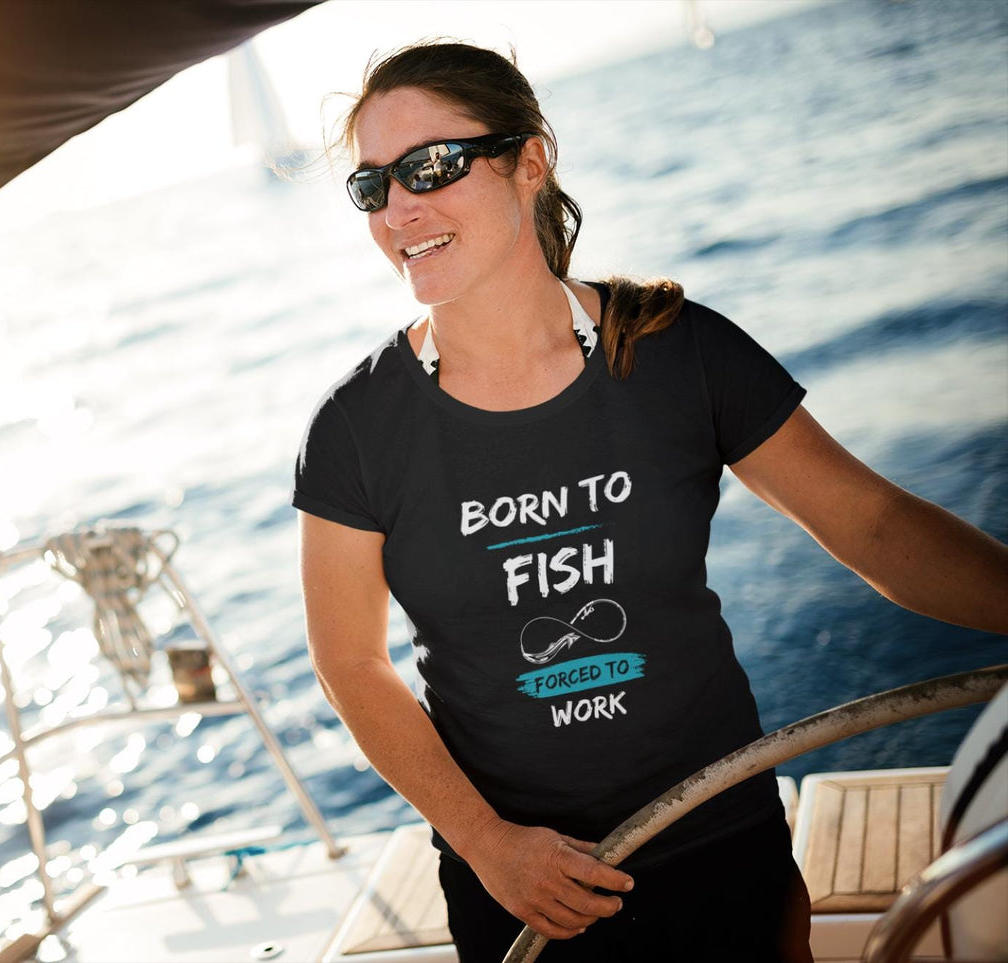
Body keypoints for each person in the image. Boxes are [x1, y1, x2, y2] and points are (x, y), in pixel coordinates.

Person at [291, 41, 1008, 963]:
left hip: (723, 839)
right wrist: (487, 845)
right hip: (524, 887)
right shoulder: (356, 427)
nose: (399, 208)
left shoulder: (676, 352)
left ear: (529, 160)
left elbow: (870, 524)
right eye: (370, 186)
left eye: (431, 166)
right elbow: (350, 663)